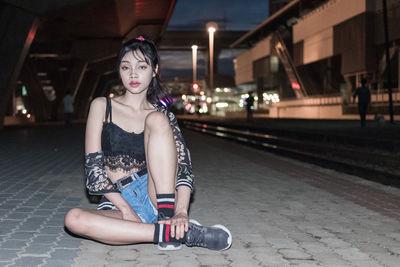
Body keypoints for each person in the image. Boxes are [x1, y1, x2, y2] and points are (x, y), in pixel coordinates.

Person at [64, 36, 232, 251]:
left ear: (154, 70)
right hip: (117, 199)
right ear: (119, 71)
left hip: (157, 195)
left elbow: (183, 166)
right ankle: (178, 234)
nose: (133, 74)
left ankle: (167, 218)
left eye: (141, 66)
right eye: (126, 67)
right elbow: (94, 170)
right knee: (74, 219)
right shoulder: (101, 106)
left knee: (156, 119)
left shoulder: (161, 115)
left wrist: (181, 211)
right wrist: (125, 209)